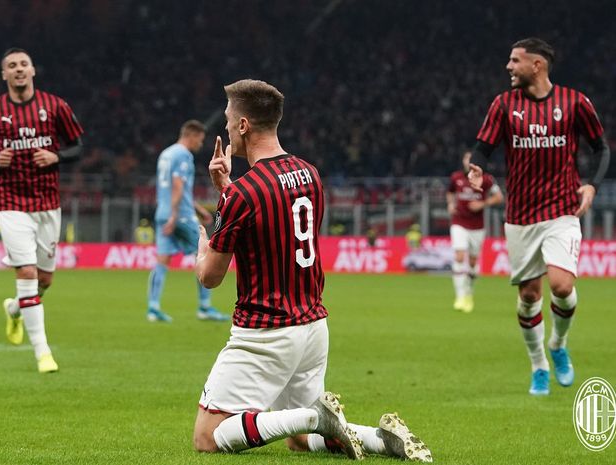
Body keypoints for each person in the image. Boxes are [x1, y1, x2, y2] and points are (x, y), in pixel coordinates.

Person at [192, 79, 431, 462]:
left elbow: (210, 277)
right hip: (313, 328)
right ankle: (381, 440)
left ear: (243, 126)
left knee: (208, 436)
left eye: (227, 119)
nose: (224, 127)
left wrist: (203, 245)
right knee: (299, 440)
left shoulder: (243, 194)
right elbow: (272, 228)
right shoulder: (310, 174)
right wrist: (227, 189)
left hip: (265, 331)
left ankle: (314, 415)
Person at [469, 38, 611, 395]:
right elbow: (483, 149)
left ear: (537, 65)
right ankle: (538, 367)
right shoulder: (503, 105)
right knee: (530, 296)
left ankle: (558, 345)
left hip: (563, 210)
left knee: (562, 286)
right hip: (520, 216)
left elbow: (601, 148)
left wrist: (592, 185)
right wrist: (476, 170)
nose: (508, 67)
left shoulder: (575, 102)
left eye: (515, 60)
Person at [0, 48, 84, 373]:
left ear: (32, 70)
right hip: (9, 202)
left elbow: (78, 146)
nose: (18, 70)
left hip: (47, 203)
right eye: (11, 66)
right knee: (27, 273)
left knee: (45, 279)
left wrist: (56, 156)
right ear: (4, 74)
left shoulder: (56, 106)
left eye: (23, 64)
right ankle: (43, 353)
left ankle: (14, 310)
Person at [147, 120, 229, 323]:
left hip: (163, 212)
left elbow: (175, 190)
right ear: (191, 135)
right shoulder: (184, 155)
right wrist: (176, 215)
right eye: (200, 140)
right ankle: (205, 307)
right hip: (180, 215)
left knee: (162, 260)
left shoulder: (166, 154)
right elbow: (177, 185)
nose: (200, 144)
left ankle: (153, 308)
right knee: (205, 252)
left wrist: (199, 209)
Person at [446, 151, 503, 313]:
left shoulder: (486, 179)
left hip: (477, 226)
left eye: (472, 159)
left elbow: (499, 197)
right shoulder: (456, 177)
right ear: (463, 161)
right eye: (466, 158)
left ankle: (469, 292)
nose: (468, 161)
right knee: (459, 256)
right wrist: (450, 204)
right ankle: (460, 296)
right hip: (459, 222)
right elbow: (450, 192)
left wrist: (482, 204)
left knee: (472, 263)